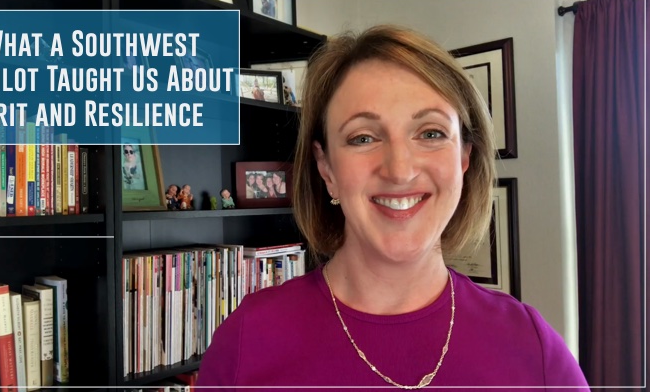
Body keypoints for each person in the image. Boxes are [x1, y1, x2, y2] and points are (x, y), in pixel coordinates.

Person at [197, 25, 589, 389]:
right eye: (363, 138)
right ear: (326, 168)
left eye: (431, 133)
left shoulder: (534, 349)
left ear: (464, 158)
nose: (400, 171)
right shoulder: (247, 341)